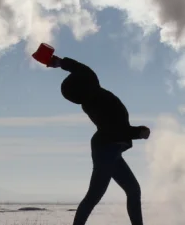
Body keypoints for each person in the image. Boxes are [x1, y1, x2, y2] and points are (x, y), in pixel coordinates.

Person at [47, 55, 150, 225]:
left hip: (111, 150)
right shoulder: (95, 100)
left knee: (132, 190)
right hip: (106, 149)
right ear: (83, 84)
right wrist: (138, 132)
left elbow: (81, 69)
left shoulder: (92, 94)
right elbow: (116, 129)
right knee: (95, 195)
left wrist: (59, 63)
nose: (89, 75)